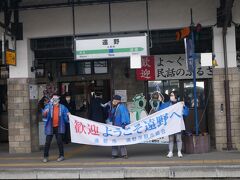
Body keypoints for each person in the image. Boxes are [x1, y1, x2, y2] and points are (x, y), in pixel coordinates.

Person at [159, 91, 189, 158]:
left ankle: (179, 152)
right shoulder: (167, 104)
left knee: (178, 138)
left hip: (178, 124)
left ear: (176, 96)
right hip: (170, 124)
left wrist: (184, 106)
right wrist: (160, 102)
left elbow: (186, 113)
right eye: (170, 95)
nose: (171, 96)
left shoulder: (180, 104)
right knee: (171, 139)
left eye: (172, 95)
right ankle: (170, 152)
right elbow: (160, 111)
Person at [42, 94, 70, 163]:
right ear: (52, 100)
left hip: (59, 126)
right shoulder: (48, 106)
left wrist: (68, 114)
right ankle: (45, 156)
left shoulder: (62, 107)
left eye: (56, 100)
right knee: (47, 142)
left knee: (59, 142)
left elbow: (66, 114)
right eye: (54, 100)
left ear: (58, 101)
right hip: (50, 126)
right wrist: (45, 113)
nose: (55, 102)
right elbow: (44, 115)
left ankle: (61, 155)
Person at [109, 95, 130, 159]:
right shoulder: (115, 107)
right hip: (115, 125)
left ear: (118, 100)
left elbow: (124, 115)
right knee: (115, 140)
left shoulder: (121, 107)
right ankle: (115, 154)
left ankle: (123, 154)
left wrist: (124, 124)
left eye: (114, 100)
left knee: (121, 140)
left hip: (120, 125)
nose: (113, 101)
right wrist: (112, 107)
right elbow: (111, 116)